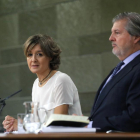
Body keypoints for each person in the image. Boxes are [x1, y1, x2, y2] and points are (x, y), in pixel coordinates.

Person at [2, 34, 82, 132]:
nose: (33, 59)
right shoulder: (36, 84)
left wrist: (21, 126)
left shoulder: (61, 80)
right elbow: (35, 125)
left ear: (51, 57)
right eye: (29, 54)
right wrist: (16, 123)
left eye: (39, 54)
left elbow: (58, 125)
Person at [88, 12, 140, 132]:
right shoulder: (121, 67)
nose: (110, 38)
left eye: (117, 33)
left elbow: (136, 117)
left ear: (136, 37)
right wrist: (86, 122)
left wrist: (92, 125)